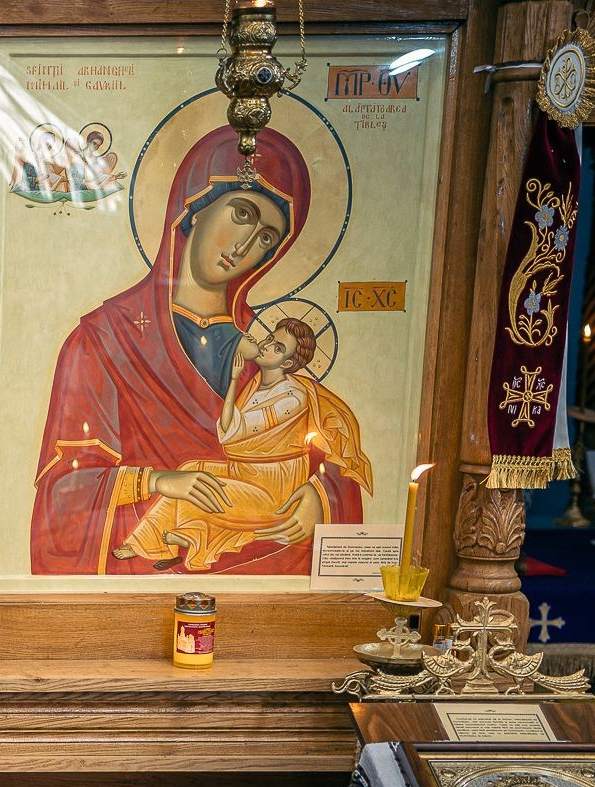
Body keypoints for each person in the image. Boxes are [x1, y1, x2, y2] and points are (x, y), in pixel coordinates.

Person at [31, 126, 367, 576]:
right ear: (193, 208)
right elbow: (64, 494)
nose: (246, 247)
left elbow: (333, 455)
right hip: (150, 575)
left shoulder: (271, 350)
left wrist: (321, 498)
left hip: (266, 570)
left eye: (268, 238)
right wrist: (157, 481)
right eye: (242, 214)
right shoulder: (102, 341)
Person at [114, 317, 371, 571]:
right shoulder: (257, 386)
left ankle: (189, 538)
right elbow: (227, 429)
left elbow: (233, 434)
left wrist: (235, 380)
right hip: (246, 474)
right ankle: (156, 543)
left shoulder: (292, 398)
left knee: (201, 488)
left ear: (288, 362)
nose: (267, 345)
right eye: (270, 338)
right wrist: (236, 379)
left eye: (278, 348)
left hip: (273, 491)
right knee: (189, 468)